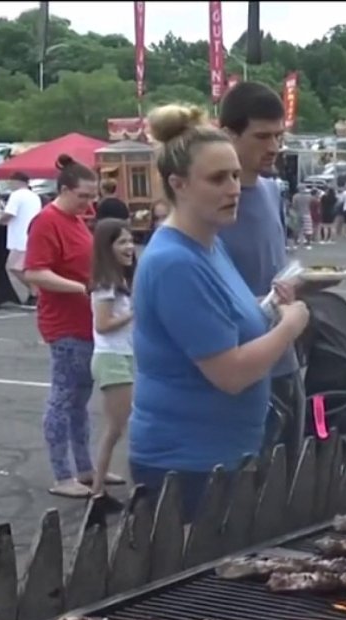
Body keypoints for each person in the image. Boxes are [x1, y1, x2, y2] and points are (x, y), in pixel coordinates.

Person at [130, 103, 309, 522]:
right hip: (187, 465)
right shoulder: (176, 262)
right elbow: (229, 374)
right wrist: (291, 326)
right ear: (179, 184)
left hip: (223, 454)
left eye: (233, 175)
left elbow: (229, 322)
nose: (233, 189)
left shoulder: (210, 243)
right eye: (216, 178)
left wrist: (269, 307)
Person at [24, 155, 123, 498]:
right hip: (64, 323)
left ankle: (84, 468)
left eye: (92, 196)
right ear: (63, 190)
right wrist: (81, 287)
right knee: (63, 399)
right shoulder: (47, 221)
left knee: (79, 400)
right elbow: (34, 271)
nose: (88, 203)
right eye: (82, 196)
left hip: (86, 322)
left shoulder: (76, 220)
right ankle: (62, 473)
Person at [217, 82, 307, 461]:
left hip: (284, 360)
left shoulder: (272, 191)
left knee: (288, 483)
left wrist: (296, 282)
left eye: (279, 136)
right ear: (228, 135)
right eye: (262, 136)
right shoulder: (212, 207)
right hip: (237, 370)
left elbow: (272, 264)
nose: (274, 147)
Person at [88, 218, 136, 510]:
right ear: (107, 248)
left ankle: (98, 488)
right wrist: (135, 313)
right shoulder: (105, 285)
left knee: (117, 427)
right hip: (111, 358)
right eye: (122, 242)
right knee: (116, 427)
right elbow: (103, 324)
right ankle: (97, 492)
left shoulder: (119, 282)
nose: (130, 247)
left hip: (122, 356)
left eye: (131, 240)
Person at [0, 172, 42, 307]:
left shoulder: (16, 195)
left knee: (14, 266)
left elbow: (9, 214)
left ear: (16, 181)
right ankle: (35, 292)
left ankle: (36, 292)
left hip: (20, 237)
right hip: (31, 234)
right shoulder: (34, 196)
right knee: (23, 267)